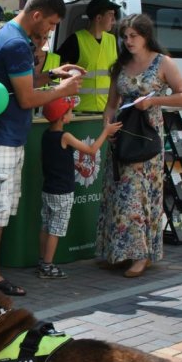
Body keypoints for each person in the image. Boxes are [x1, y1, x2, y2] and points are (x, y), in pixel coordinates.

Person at [0, 0, 84, 297]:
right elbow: (27, 97)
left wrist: (52, 75)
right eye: (52, 23)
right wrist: (64, 89)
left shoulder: (14, 36)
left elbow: (24, 83)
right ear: (36, 16)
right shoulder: (17, 43)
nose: (51, 30)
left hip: (7, 136)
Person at [97, 14, 182, 278]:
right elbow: (111, 104)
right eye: (124, 37)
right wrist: (107, 128)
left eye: (133, 36)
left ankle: (140, 255)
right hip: (122, 134)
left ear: (146, 36)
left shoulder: (163, 63)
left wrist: (154, 102)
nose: (128, 41)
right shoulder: (121, 66)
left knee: (138, 196)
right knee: (117, 193)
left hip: (146, 137)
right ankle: (116, 252)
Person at [39, 98, 121, 279]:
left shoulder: (46, 135)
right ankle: (47, 266)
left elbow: (57, 159)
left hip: (49, 189)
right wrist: (106, 132)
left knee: (46, 225)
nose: (71, 113)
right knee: (56, 229)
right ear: (62, 117)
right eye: (69, 111)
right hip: (62, 191)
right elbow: (91, 150)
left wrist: (76, 166)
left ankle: (42, 260)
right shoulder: (65, 137)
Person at [58, 0, 121, 114]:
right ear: (98, 18)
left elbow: (117, 75)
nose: (114, 20)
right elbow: (58, 71)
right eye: (110, 15)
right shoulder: (75, 40)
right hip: (79, 112)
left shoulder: (112, 40)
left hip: (106, 111)